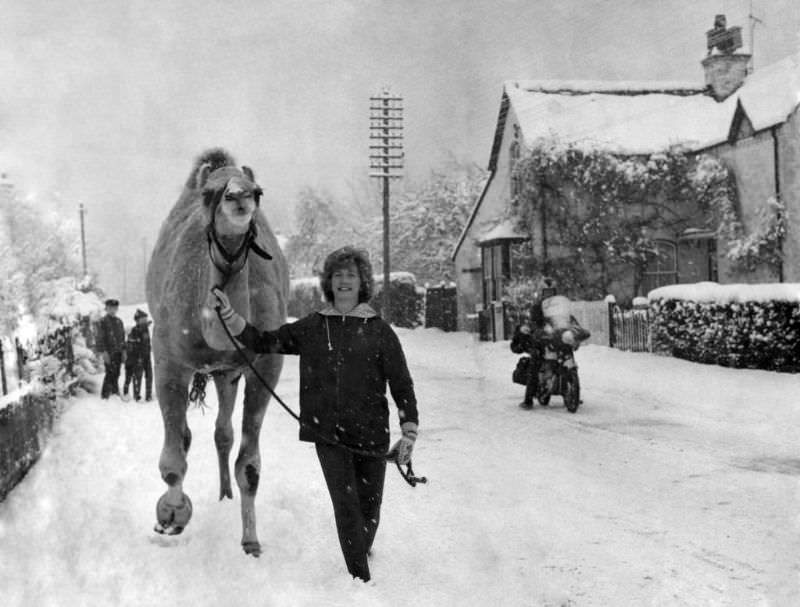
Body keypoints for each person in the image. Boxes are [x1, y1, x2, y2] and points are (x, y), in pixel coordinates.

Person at [212, 245, 419, 583]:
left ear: (362, 282)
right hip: (328, 434)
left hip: (371, 434)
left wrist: (408, 431)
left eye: (351, 275)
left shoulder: (380, 331)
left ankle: (360, 551)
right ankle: (361, 582)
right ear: (329, 282)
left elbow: (402, 385)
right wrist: (232, 318)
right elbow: (264, 341)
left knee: (369, 509)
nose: (344, 281)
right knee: (347, 507)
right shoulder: (313, 326)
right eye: (338, 275)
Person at [95, 298, 126, 399]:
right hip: (108, 352)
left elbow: (122, 338)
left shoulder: (119, 322)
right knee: (109, 373)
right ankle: (105, 395)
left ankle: (114, 392)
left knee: (117, 372)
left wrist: (124, 351)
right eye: (110, 308)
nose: (113, 310)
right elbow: (100, 338)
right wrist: (104, 352)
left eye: (115, 308)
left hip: (118, 352)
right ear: (106, 309)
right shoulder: (102, 322)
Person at [123, 309, 153, 402]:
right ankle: (137, 395)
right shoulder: (134, 331)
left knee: (149, 376)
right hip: (138, 357)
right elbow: (132, 346)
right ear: (137, 320)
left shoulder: (146, 329)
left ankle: (148, 395)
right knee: (138, 376)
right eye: (142, 319)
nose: (144, 320)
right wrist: (138, 357)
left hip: (147, 356)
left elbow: (147, 342)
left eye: (145, 318)